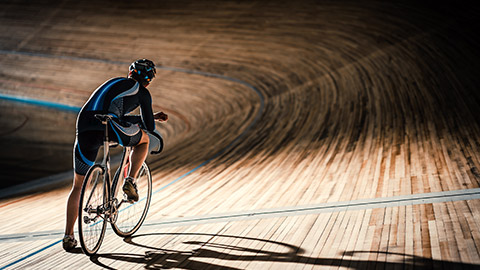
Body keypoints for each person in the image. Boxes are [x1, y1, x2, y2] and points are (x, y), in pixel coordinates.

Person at [63, 59, 168, 251]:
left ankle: (69, 236)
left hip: (85, 125)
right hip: (111, 126)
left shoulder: (113, 82)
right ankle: (131, 180)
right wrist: (149, 118)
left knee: (78, 185)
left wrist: (146, 117)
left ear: (130, 72)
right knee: (143, 139)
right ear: (150, 80)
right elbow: (149, 127)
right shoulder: (143, 92)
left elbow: (109, 110)